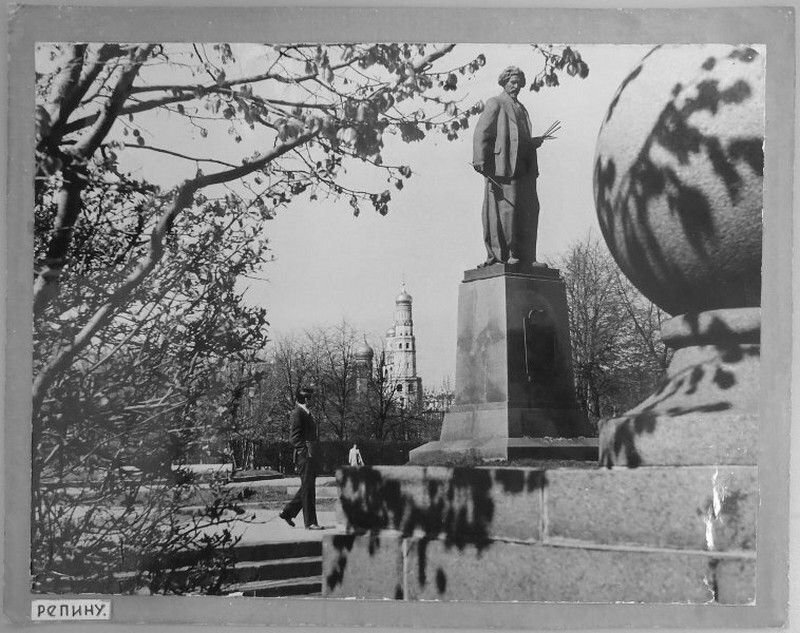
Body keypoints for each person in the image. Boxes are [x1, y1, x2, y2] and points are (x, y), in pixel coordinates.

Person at [472, 66, 544, 267]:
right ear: (504, 82)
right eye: (513, 82)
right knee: (507, 212)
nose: (517, 87)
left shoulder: (521, 108)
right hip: (503, 169)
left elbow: (519, 138)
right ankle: (507, 254)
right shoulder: (496, 103)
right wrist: (479, 159)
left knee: (529, 210)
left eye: (519, 84)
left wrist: (532, 142)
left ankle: (527, 257)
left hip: (524, 169)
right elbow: (481, 132)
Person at [279, 386, 323, 530]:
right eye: (311, 398)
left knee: (307, 487)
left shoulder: (305, 412)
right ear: (305, 399)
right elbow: (294, 438)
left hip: (310, 454)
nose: (314, 400)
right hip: (305, 456)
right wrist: (304, 451)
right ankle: (310, 522)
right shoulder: (297, 413)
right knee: (308, 488)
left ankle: (288, 512)